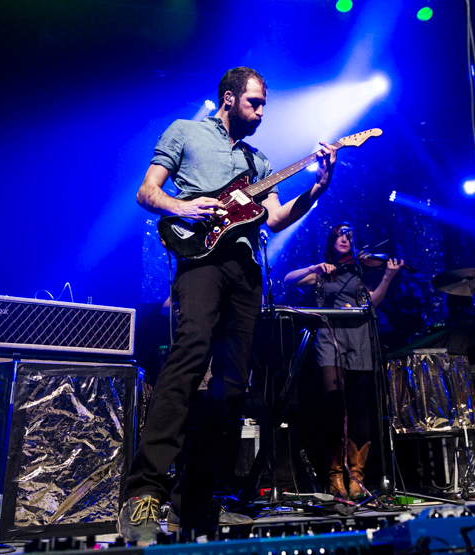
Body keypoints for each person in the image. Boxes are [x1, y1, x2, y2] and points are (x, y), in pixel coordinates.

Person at [119, 66, 338, 543]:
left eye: (263, 105)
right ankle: (143, 494)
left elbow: (277, 219)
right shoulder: (186, 133)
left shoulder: (258, 161)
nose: (261, 112)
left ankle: (194, 501)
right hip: (200, 262)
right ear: (228, 98)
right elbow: (146, 191)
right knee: (190, 352)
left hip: (245, 274)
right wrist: (183, 207)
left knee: (234, 388)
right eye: (254, 103)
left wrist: (318, 186)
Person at [283, 223, 402, 499]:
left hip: (360, 335)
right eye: (339, 234)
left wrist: (388, 276)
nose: (345, 238)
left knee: (360, 405)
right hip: (330, 335)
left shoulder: (361, 270)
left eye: (349, 234)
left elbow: (372, 303)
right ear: (332, 240)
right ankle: (335, 473)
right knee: (334, 403)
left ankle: (356, 476)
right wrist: (315, 268)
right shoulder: (324, 273)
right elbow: (289, 279)